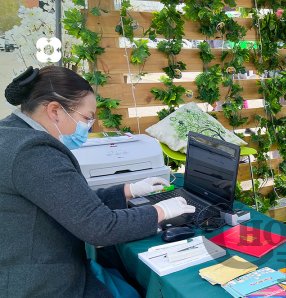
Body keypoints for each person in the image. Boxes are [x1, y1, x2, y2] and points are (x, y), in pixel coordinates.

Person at [0, 66, 196, 297]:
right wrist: (159, 211)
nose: (89, 127)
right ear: (55, 110)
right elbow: (100, 228)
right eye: (86, 118)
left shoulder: (11, 132)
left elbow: (68, 200)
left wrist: (128, 190)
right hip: (42, 285)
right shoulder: (33, 151)